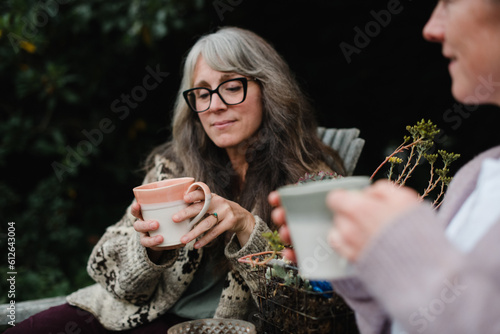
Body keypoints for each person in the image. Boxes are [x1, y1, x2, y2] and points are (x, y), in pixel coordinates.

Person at [7, 27, 344, 333]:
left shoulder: (311, 181)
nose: (214, 106)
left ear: (268, 88)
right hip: (128, 315)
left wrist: (245, 226)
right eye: (201, 93)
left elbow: (307, 315)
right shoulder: (174, 166)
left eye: (231, 86)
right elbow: (118, 283)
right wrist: (150, 251)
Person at [270, 1, 500, 333]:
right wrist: (362, 265)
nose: (432, 28)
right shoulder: (477, 176)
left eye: (450, 2)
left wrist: (406, 245)